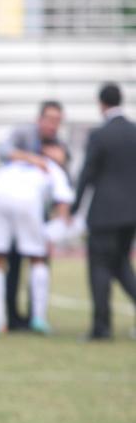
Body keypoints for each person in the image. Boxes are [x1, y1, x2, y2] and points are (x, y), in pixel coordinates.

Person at [0, 143, 73, 335]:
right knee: (38, 258)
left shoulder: (16, 162)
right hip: (27, 200)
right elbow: (63, 202)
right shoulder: (54, 168)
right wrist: (57, 230)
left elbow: (5, 151)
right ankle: (39, 318)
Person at [0, 100, 67, 331]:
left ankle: (36, 315)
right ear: (39, 119)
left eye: (57, 121)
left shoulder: (59, 145)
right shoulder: (23, 134)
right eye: (50, 119)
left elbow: (63, 182)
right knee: (13, 263)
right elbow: (3, 151)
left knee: (39, 260)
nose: (53, 125)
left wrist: (60, 161)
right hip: (16, 209)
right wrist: (33, 158)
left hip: (40, 212)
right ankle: (11, 316)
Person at [72, 83, 136, 340]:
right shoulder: (134, 132)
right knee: (121, 264)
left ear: (101, 104)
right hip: (131, 214)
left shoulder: (100, 135)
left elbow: (87, 172)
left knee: (99, 267)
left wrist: (74, 206)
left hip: (105, 213)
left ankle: (101, 327)